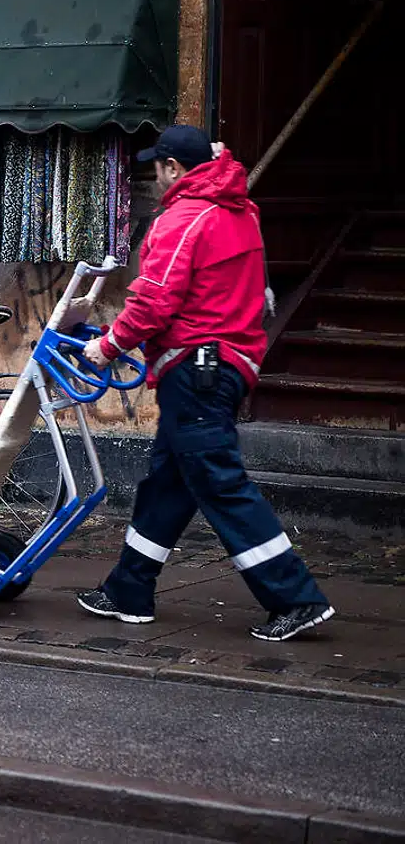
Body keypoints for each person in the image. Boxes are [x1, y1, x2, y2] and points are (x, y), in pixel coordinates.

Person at [77, 124, 334, 643]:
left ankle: (296, 597)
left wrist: (108, 345)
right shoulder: (239, 210)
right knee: (168, 485)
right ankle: (129, 589)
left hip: (196, 369)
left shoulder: (183, 218)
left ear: (173, 168)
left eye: (158, 168)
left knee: (220, 483)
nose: (155, 178)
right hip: (223, 364)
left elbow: (153, 301)